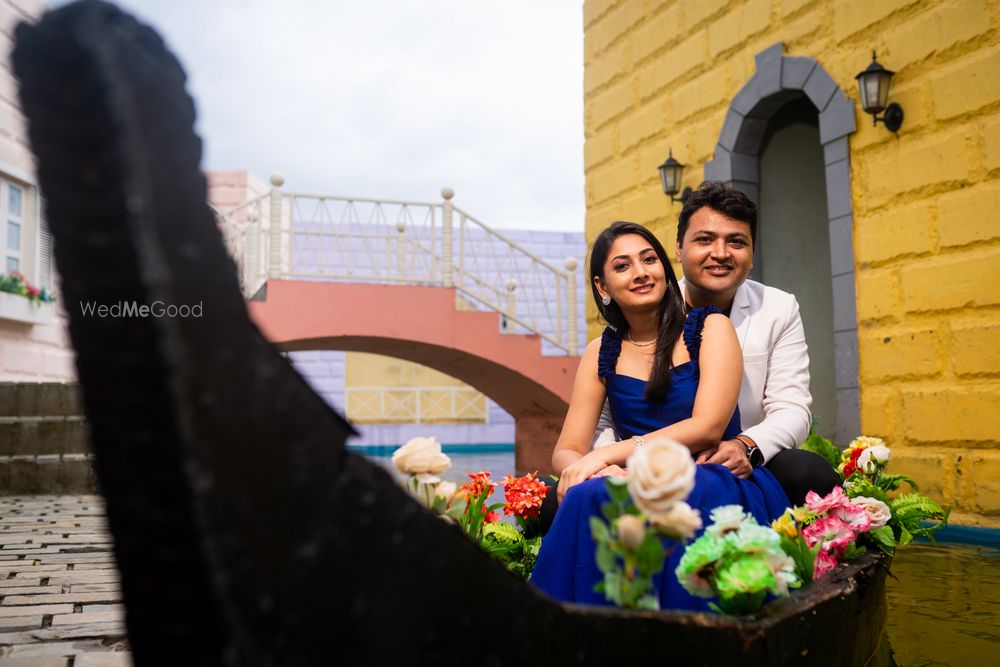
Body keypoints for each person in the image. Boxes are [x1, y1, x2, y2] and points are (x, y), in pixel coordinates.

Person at [530, 220, 791, 611]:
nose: (640, 273)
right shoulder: (601, 351)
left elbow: (707, 427)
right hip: (634, 475)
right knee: (589, 492)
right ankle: (585, 630)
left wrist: (610, 454)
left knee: (670, 497)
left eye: (649, 259)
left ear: (664, 269)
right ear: (603, 287)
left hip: (709, 469)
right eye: (622, 266)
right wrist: (600, 469)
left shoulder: (709, 327)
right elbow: (567, 449)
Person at [591, 182, 838, 506]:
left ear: (751, 254)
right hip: (649, 456)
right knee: (561, 498)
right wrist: (607, 461)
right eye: (705, 240)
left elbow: (791, 407)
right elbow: (608, 413)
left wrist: (746, 444)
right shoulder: (644, 306)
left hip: (741, 456)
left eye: (736, 242)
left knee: (811, 473)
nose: (720, 254)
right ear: (678, 249)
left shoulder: (778, 308)